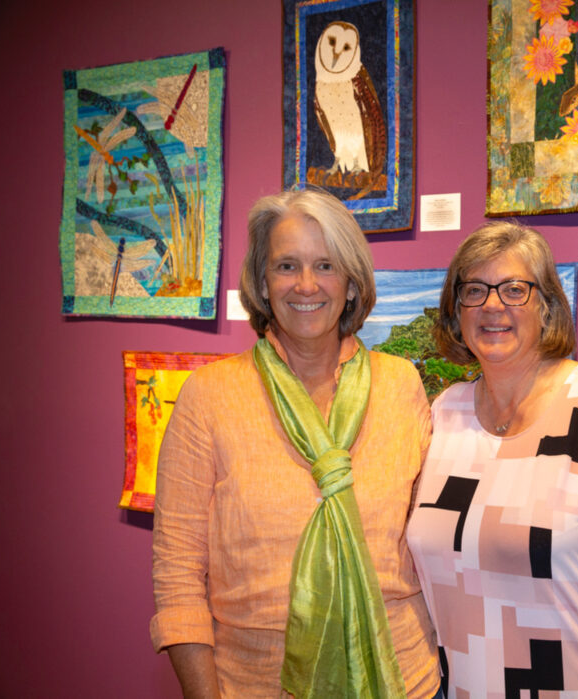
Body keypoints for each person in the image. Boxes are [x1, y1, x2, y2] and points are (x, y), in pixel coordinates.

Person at [151, 188, 439, 698]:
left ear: (351, 283)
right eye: (287, 266)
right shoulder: (209, 396)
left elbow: (428, 539)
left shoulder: (401, 385)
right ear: (263, 283)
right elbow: (178, 573)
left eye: (326, 265)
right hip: (254, 683)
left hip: (403, 678)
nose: (306, 284)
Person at [406, 222, 578, 697]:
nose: (492, 305)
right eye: (474, 290)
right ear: (456, 311)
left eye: (513, 289)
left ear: (546, 307)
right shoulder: (444, 414)